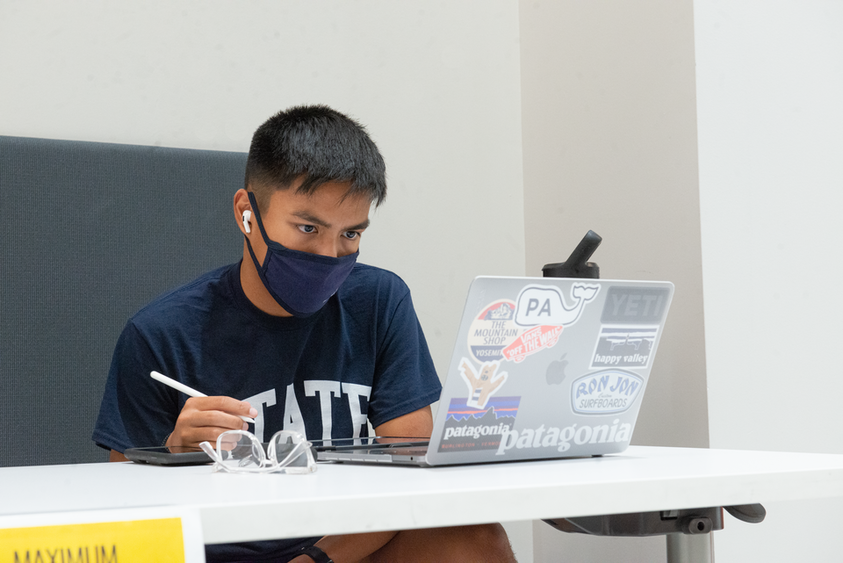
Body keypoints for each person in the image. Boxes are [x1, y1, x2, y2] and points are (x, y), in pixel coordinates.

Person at [93, 105, 516, 563]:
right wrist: (173, 456)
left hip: (342, 547)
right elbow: (126, 519)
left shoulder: (379, 301)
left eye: (351, 234)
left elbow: (409, 479)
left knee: (473, 538)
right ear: (246, 214)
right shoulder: (161, 334)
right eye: (307, 227)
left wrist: (315, 560)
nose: (329, 254)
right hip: (221, 552)